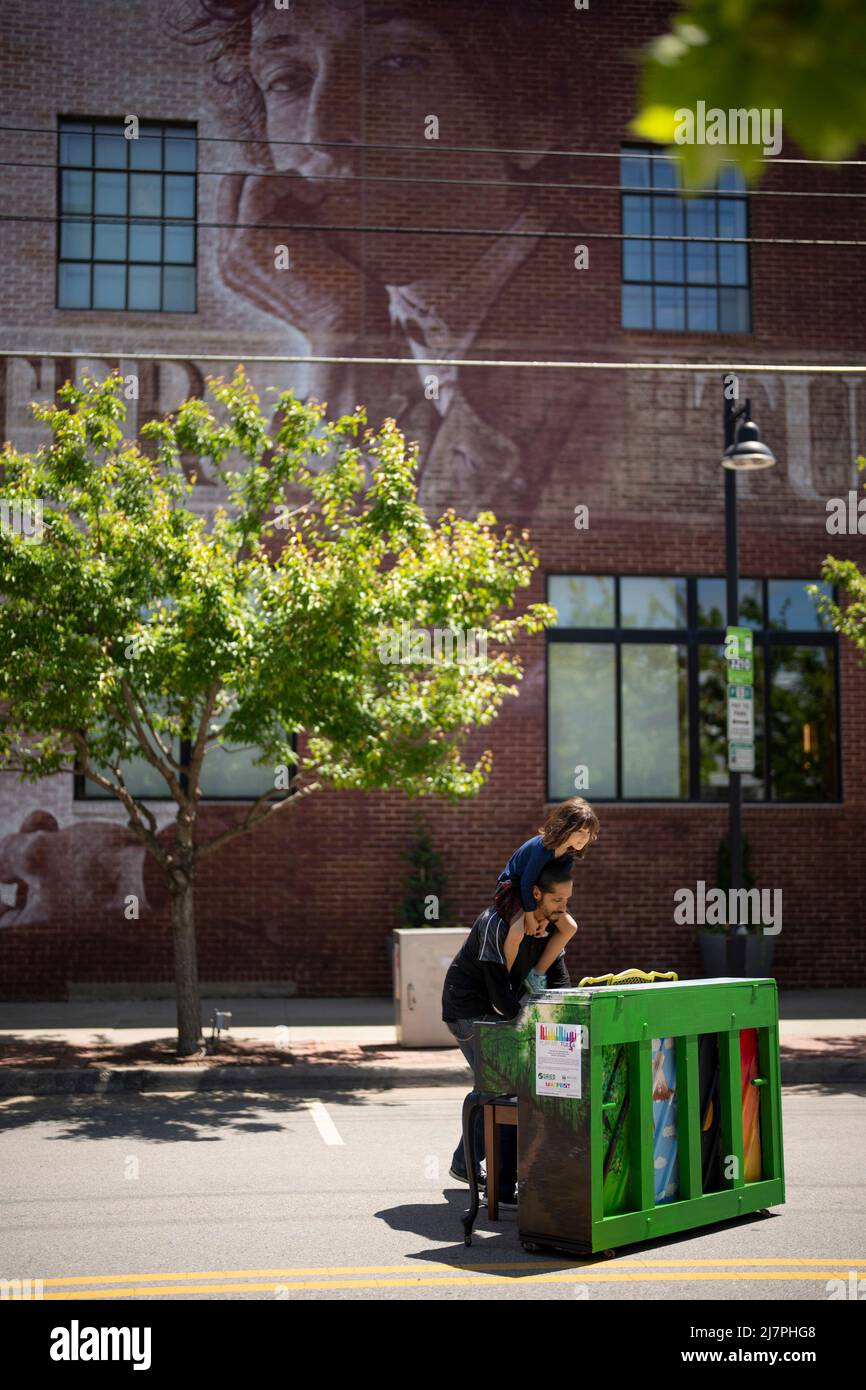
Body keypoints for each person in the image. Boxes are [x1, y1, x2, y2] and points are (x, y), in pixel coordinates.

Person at [441, 856, 576, 1204]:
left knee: (498, 1085)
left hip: (501, 1009)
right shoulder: (496, 924)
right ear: (536, 893)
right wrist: (525, 1022)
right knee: (500, 1084)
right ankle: (481, 1173)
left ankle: (464, 1163)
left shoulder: (550, 924)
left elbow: (558, 980)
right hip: (470, 1008)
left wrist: (566, 1016)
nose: (564, 907)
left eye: (568, 900)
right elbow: (498, 991)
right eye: (557, 900)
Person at [495, 797, 599, 996]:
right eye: (579, 831)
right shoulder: (542, 848)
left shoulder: (568, 856)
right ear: (565, 827)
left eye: (588, 833)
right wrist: (531, 917)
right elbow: (526, 883)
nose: (584, 837)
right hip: (514, 888)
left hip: (541, 894)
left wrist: (548, 917)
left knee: (570, 927)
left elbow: (558, 890)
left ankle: (537, 974)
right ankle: (504, 981)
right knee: (517, 932)